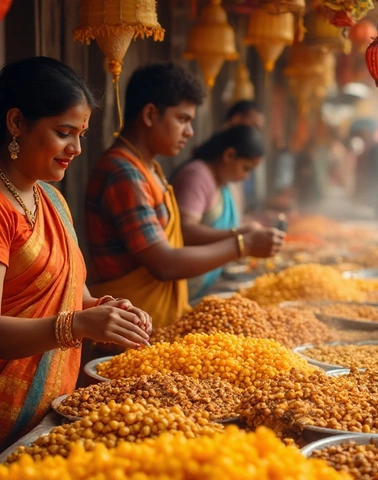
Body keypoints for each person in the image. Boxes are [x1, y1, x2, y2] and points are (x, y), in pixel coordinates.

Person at [0, 57, 151, 449]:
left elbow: (73, 298)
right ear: (16, 123)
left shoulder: (51, 199)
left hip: (48, 414)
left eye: (81, 134)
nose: (77, 148)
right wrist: (78, 326)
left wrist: (109, 312)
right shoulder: (2, 210)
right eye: (64, 132)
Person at [85, 63, 284, 328]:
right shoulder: (122, 173)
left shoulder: (149, 168)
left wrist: (241, 237)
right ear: (150, 115)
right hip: (127, 329)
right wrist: (242, 245)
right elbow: (164, 264)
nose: (189, 132)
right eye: (182, 119)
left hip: (153, 322)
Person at [172, 125, 274, 301]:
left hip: (206, 283)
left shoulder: (223, 183)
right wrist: (240, 237)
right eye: (246, 168)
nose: (246, 176)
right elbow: (185, 231)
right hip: (183, 287)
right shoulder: (197, 176)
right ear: (229, 155)